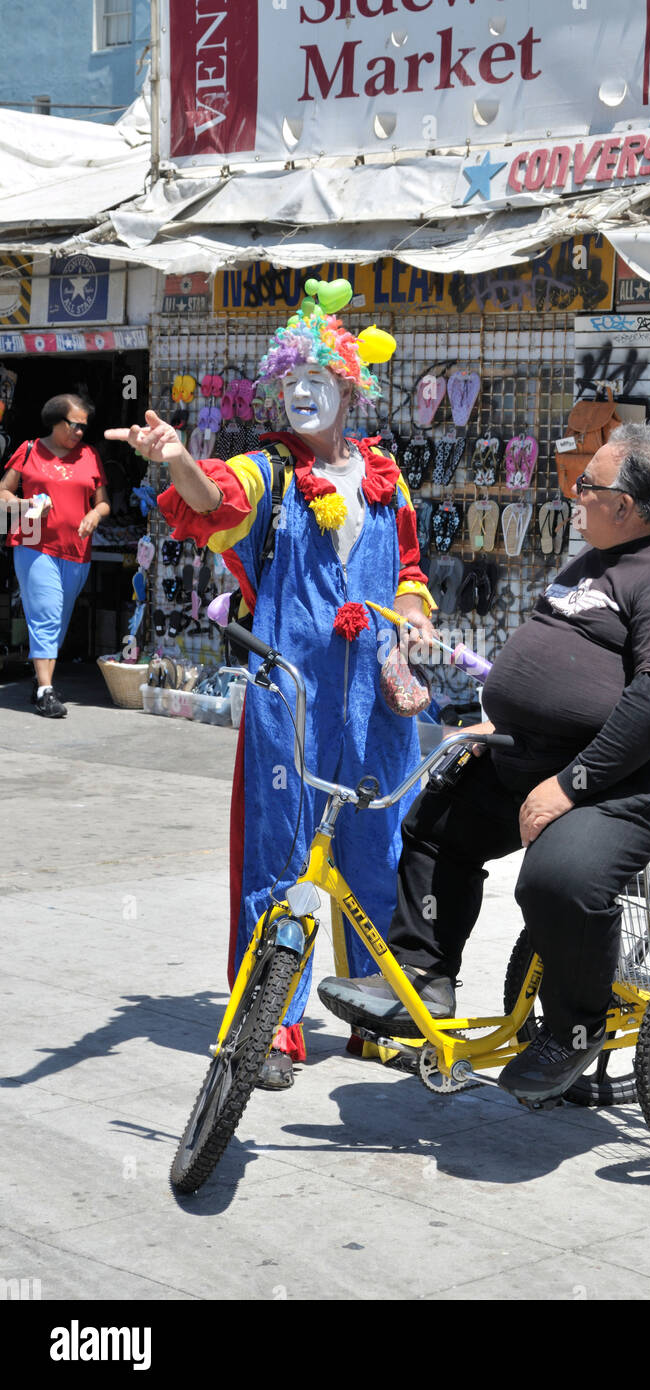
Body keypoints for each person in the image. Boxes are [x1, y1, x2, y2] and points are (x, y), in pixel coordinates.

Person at [319, 422, 650, 1104]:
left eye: (587, 483)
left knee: (558, 880)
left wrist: (570, 787)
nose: (572, 493)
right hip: (546, 749)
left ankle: (574, 1030)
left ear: (626, 505)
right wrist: (500, 721)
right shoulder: (602, 554)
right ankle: (421, 975)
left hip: (647, 765)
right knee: (435, 822)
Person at [105, 298, 435, 1090]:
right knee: (281, 857)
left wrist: (417, 618)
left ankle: (373, 1017)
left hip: (379, 703)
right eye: (292, 380)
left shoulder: (387, 480)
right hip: (293, 694)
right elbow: (214, 498)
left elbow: (412, 574)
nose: (304, 394)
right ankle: (272, 1027)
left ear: (350, 389)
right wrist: (176, 455)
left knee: (375, 854)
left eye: (320, 379)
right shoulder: (272, 471)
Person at [0, 394, 109, 718]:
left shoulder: (89, 455)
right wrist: (27, 505)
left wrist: (95, 516)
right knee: (46, 612)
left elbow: (103, 501)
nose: (79, 432)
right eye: (75, 425)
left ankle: (39, 678)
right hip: (34, 543)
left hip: (77, 550)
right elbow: (3, 493)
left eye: (83, 427)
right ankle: (46, 690)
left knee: (58, 620)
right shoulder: (29, 450)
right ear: (56, 421)